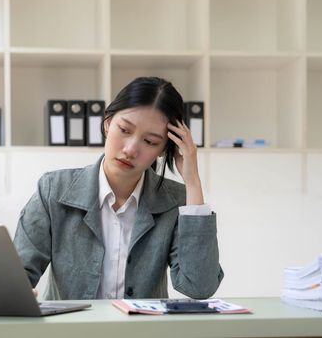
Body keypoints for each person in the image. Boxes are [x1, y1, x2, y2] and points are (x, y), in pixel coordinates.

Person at [13, 76, 224, 300]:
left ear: (164, 149)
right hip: (70, 333)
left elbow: (199, 287)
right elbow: (17, 274)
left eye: (150, 142)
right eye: (124, 130)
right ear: (107, 123)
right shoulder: (53, 190)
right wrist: (18, 292)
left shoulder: (175, 201)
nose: (131, 149)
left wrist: (192, 183)